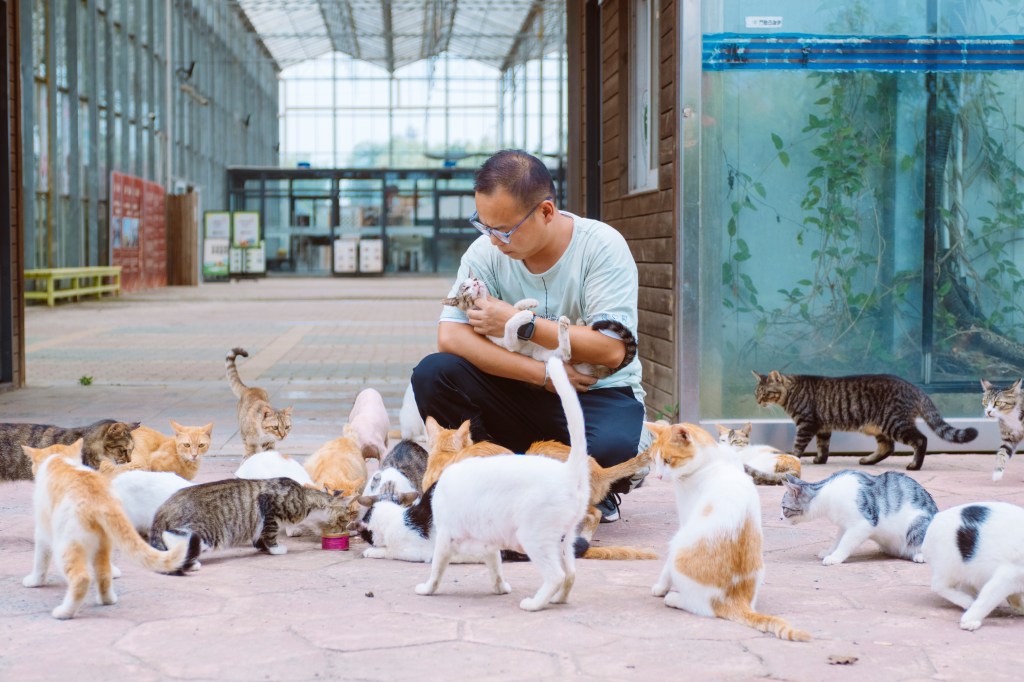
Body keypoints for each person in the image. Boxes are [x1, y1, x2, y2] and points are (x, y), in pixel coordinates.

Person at [411, 149, 647, 522]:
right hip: (520, 389)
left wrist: (523, 323)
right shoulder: (484, 254)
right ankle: (492, 480)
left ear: (546, 212)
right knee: (434, 373)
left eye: (503, 230)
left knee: (613, 448)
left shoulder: (601, 247)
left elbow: (612, 350)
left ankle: (590, 491)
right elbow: (451, 337)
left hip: (594, 395)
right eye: (483, 226)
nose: (493, 240)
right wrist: (541, 375)